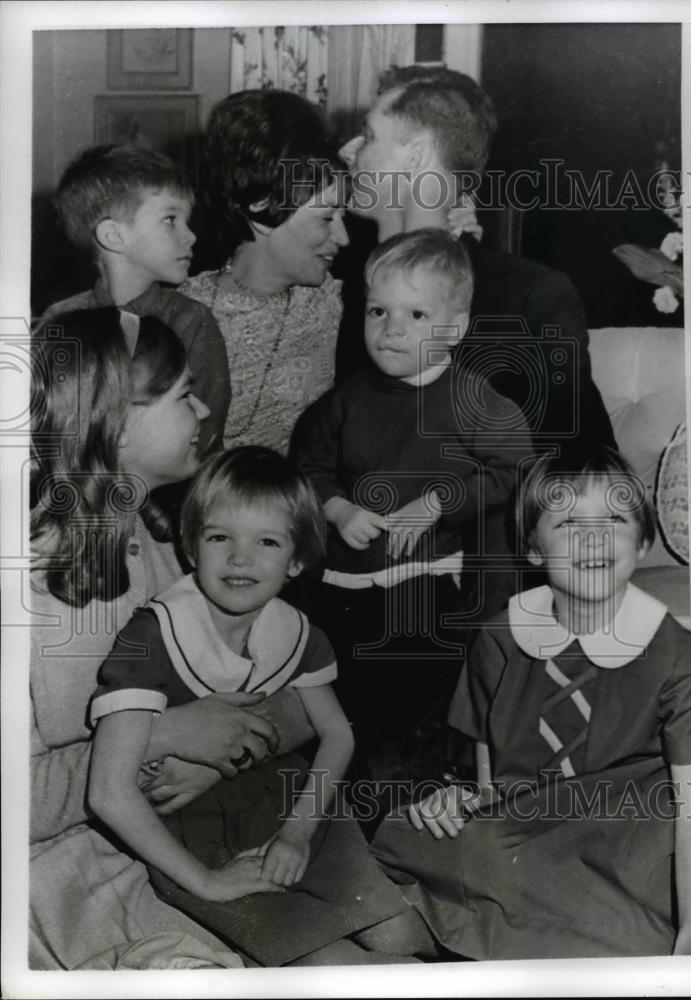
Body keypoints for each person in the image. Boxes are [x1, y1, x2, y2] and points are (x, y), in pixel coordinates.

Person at [28, 308, 315, 970]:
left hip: (185, 830)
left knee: (386, 933)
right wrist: (163, 738)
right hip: (75, 878)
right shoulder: (35, 582)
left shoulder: (160, 539)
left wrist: (216, 747)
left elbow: (287, 693)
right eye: (186, 393)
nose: (206, 408)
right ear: (118, 422)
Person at [367, 443, 691, 960]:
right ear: (533, 550)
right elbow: (487, 781)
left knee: (641, 902)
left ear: (644, 540)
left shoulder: (676, 651)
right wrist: (456, 801)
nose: (593, 536)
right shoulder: (500, 638)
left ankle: (497, 931)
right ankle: (490, 927)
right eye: (567, 523)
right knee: (409, 839)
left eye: (614, 517)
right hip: (524, 825)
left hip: (621, 830)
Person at [87, 446, 409, 967]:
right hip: (195, 841)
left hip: (284, 807)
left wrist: (298, 833)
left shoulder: (297, 632)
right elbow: (107, 791)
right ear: (191, 548)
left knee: (400, 936)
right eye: (220, 538)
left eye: (267, 541)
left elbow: (338, 735)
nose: (240, 559)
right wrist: (208, 885)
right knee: (328, 962)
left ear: (297, 559)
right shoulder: (155, 634)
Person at [336, 65, 617, 619]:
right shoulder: (343, 290)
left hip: (485, 596)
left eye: (369, 134)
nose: (348, 150)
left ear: (415, 156)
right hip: (352, 578)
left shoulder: (529, 294)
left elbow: (573, 463)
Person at [294, 230, 530, 811]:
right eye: (378, 310)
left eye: (415, 313)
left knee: (411, 712)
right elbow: (309, 468)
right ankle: (351, 817)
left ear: (454, 327)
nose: (391, 328)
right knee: (341, 709)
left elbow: (516, 468)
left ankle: (411, 809)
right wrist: (338, 507)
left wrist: (437, 502)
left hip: (423, 587)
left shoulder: (474, 401)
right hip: (342, 587)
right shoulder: (345, 401)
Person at [180, 90, 349, 454]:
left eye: (343, 216)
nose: (343, 237)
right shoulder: (177, 314)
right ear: (262, 206)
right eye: (326, 218)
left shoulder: (341, 306)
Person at [38, 145, 230, 455]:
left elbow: (207, 434)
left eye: (187, 221)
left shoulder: (193, 321)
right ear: (114, 236)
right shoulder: (60, 319)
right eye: (170, 220)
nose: (190, 235)